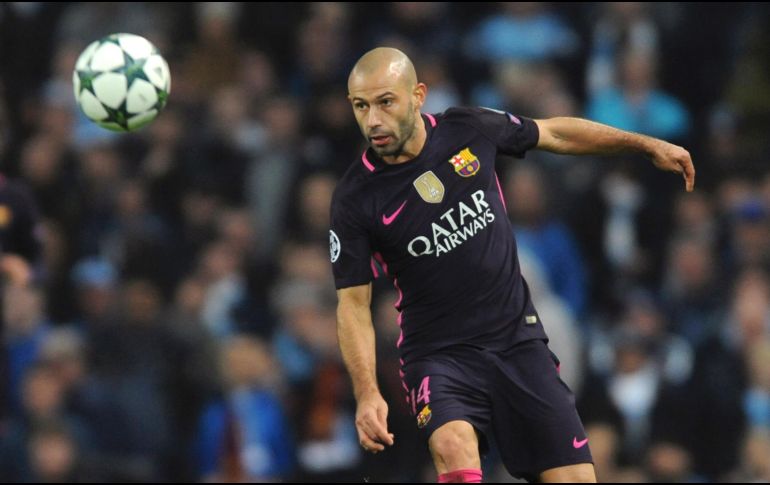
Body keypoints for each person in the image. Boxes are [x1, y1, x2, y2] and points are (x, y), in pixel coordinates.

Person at [330, 47, 694, 483]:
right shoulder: (355, 199)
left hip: (517, 343)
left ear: (418, 95)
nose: (373, 120)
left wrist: (643, 144)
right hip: (439, 356)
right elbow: (353, 305)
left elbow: (555, 133)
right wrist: (367, 392)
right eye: (361, 106)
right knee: (452, 445)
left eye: (385, 102)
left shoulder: (468, 128)